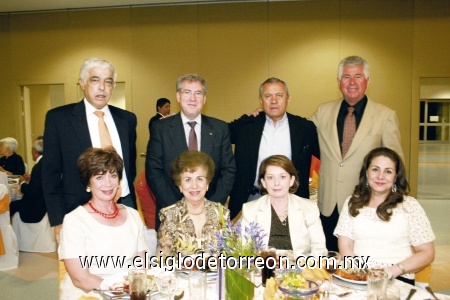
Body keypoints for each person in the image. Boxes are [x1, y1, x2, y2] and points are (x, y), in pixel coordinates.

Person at [310, 56, 403, 251]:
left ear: (367, 81)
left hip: (367, 204)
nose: (352, 82)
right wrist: (267, 115)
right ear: (338, 82)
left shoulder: (385, 116)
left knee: (361, 265)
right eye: (346, 77)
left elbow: (397, 164)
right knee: (330, 262)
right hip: (328, 207)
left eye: (358, 76)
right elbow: (298, 132)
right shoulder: (323, 111)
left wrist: (394, 203)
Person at [43, 57, 137, 242]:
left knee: (127, 265)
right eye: (95, 80)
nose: (102, 87)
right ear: (82, 83)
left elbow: (130, 166)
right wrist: (58, 219)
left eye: (108, 81)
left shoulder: (127, 119)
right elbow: (50, 174)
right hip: (79, 209)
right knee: (88, 267)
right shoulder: (59, 119)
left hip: (124, 205)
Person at [146, 74, 235, 229]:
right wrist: (177, 208)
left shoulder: (220, 129)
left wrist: (210, 207)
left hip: (211, 215)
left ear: (204, 99)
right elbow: (153, 171)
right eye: (187, 92)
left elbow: (229, 170)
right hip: (171, 213)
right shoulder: (161, 129)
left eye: (198, 93)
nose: (192, 98)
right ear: (178, 97)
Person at [334, 147, 435, 285]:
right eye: (375, 169)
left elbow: (426, 253)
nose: (380, 176)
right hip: (358, 277)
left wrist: (391, 271)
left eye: (388, 171)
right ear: (366, 172)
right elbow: (345, 246)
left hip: (397, 278)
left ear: (395, 177)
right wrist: (360, 274)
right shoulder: (352, 202)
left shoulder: (409, 206)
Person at [59, 148, 147, 299]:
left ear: (119, 181)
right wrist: (118, 290)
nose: (108, 183)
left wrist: (134, 290)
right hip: (90, 293)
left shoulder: (132, 215)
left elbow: (143, 265)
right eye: (99, 177)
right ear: (88, 183)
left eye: (113, 176)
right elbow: (80, 279)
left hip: (129, 291)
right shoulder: (74, 220)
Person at [228, 77, 320, 220]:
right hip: (252, 198)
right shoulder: (246, 126)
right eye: (268, 96)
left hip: (292, 200)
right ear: (260, 100)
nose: (274, 100)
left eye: (279, 95)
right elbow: (216, 134)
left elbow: (325, 155)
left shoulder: (304, 128)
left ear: (288, 99)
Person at [241, 155, 326, 256]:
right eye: (270, 177)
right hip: (264, 269)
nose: (276, 183)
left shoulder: (309, 208)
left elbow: (320, 250)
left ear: (291, 180)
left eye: (282, 177)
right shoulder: (250, 210)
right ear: (263, 182)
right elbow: (245, 250)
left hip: (300, 268)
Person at [156, 150, 230, 257]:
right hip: (178, 274)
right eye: (188, 180)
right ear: (180, 185)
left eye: (200, 179)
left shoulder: (222, 214)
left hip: (214, 274)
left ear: (207, 183)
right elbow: (161, 262)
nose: (194, 186)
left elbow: (229, 259)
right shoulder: (169, 216)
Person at [10, 139, 47, 223]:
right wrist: (31, 178)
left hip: (35, 205)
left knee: (10, 205)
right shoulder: (45, 163)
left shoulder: (38, 167)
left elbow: (32, 192)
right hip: (44, 202)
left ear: (35, 152)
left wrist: (22, 183)